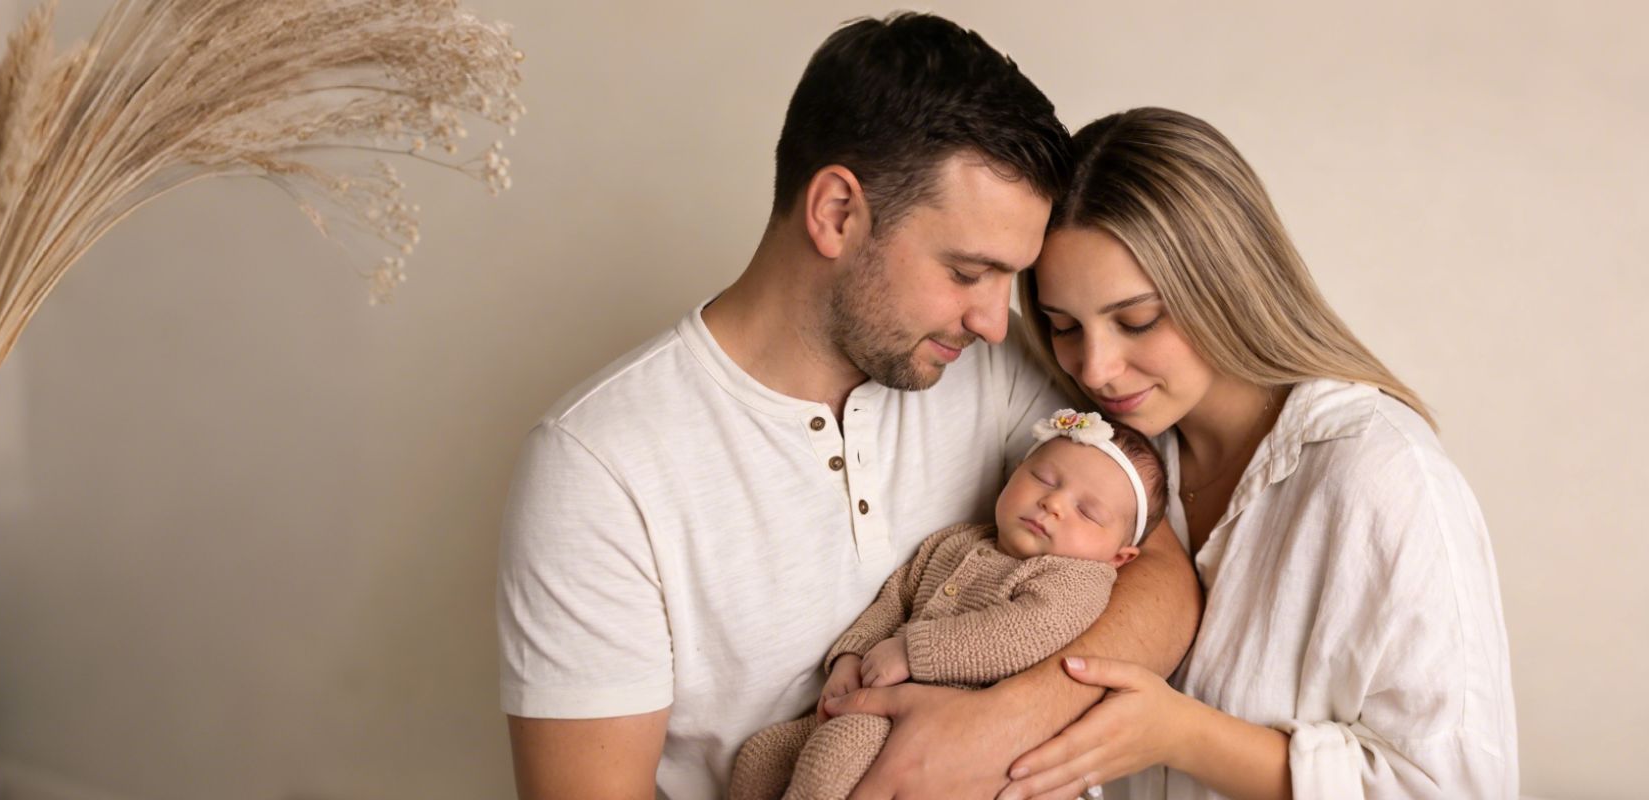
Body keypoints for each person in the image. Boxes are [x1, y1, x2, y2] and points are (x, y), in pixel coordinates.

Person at [496, 14, 1201, 800]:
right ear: (836, 212)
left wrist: (1003, 723)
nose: (995, 322)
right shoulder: (599, 467)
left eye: (1009, 279)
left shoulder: (991, 375)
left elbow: (1162, 576)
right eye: (969, 272)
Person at [996, 107, 1518, 799]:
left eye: (1137, 320)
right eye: (1064, 326)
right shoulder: (1107, 459)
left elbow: (1455, 787)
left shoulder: (1383, 478)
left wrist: (1181, 736)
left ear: (1228, 283)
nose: (1096, 368)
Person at [728, 410, 1169, 800]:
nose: (1052, 503)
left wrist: (911, 651)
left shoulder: (1079, 579)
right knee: (761, 756)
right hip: (875, 697)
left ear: (1119, 557)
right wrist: (851, 657)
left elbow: (1024, 632)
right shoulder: (957, 541)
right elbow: (895, 598)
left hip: (956, 728)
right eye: (1044, 479)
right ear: (1013, 472)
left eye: (1087, 512)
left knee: (837, 752)